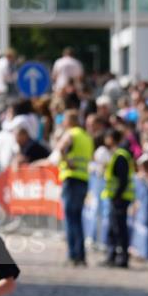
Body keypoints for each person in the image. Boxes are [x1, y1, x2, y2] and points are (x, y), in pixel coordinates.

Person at [50, 110, 94, 266]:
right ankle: (80, 255)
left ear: (70, 121)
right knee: (78, 218)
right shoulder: (86, 137)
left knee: (70, 219)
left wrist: (66, 160)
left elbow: (60, 149)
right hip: (83, 179)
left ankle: (72, 255)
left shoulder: (71, 134)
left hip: (71, 178)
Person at [100, 128, 135, 268]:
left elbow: (123, 179)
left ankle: (122, 258)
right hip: (118, 197)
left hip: (120, 198)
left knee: (119, 229)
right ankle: (113, 256)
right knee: (114, 228)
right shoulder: (118, 154)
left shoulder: (120, 155)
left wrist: (116, 196)